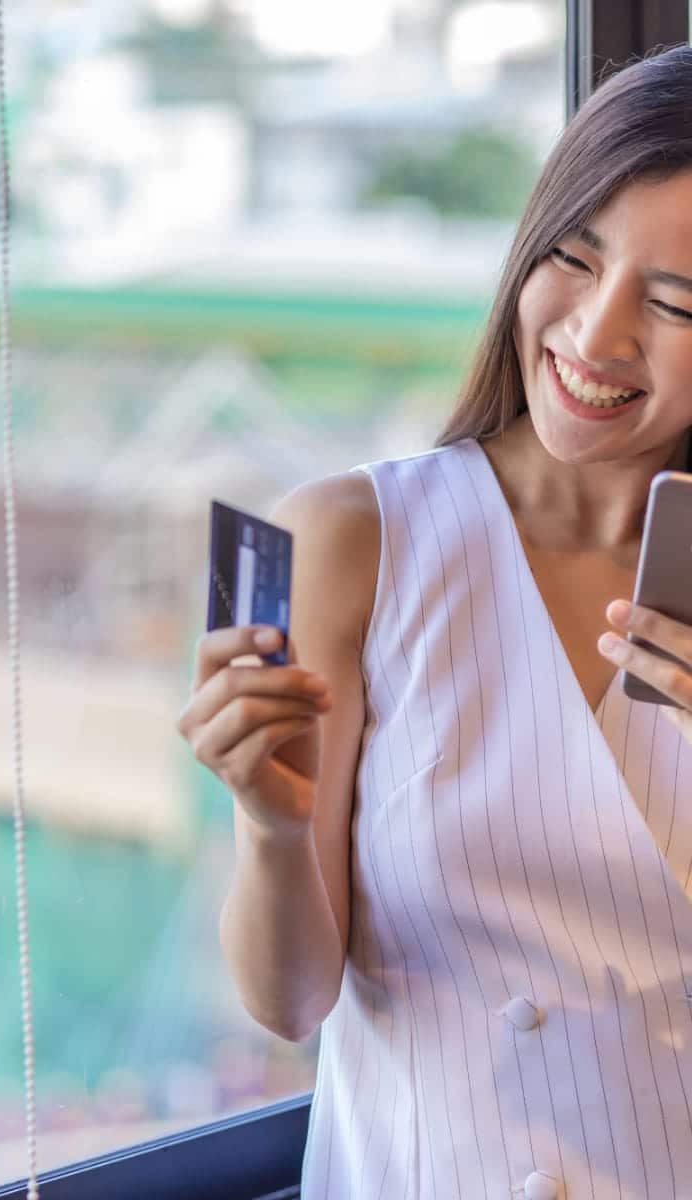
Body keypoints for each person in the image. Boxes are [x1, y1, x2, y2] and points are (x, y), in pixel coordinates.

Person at [177, 44, 692, 1200]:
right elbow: (287, 1005)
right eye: (572, 256)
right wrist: (268, 826)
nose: (595, 335)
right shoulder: (355, 540)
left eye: (672, 303)